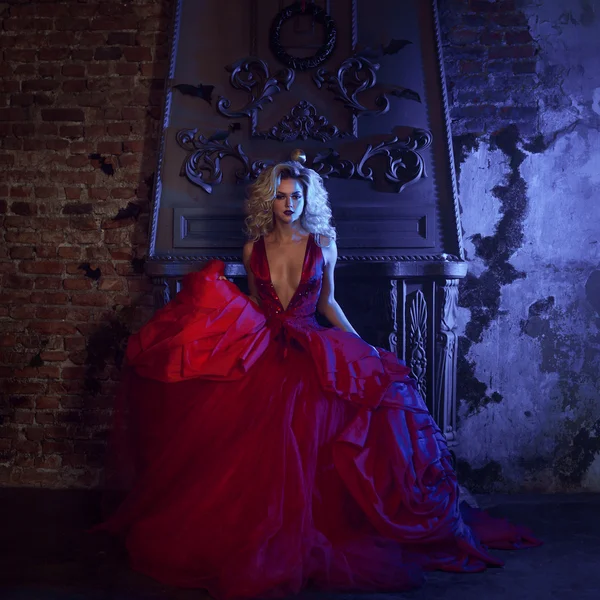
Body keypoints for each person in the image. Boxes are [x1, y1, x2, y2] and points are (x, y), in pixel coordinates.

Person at [95, 161, 540, 600]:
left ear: (308, 200)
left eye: (296, 196)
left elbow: (328, 303)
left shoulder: (323, 245)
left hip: (312, 345)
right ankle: (264, 531)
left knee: (320, 430)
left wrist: (363, 348)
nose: (289, 204)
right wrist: (224, 328)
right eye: (281, 196)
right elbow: (254, 300)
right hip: (264, 343)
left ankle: (316, 524)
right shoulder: (253, 249)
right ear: (268, 200)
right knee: (253, 444)